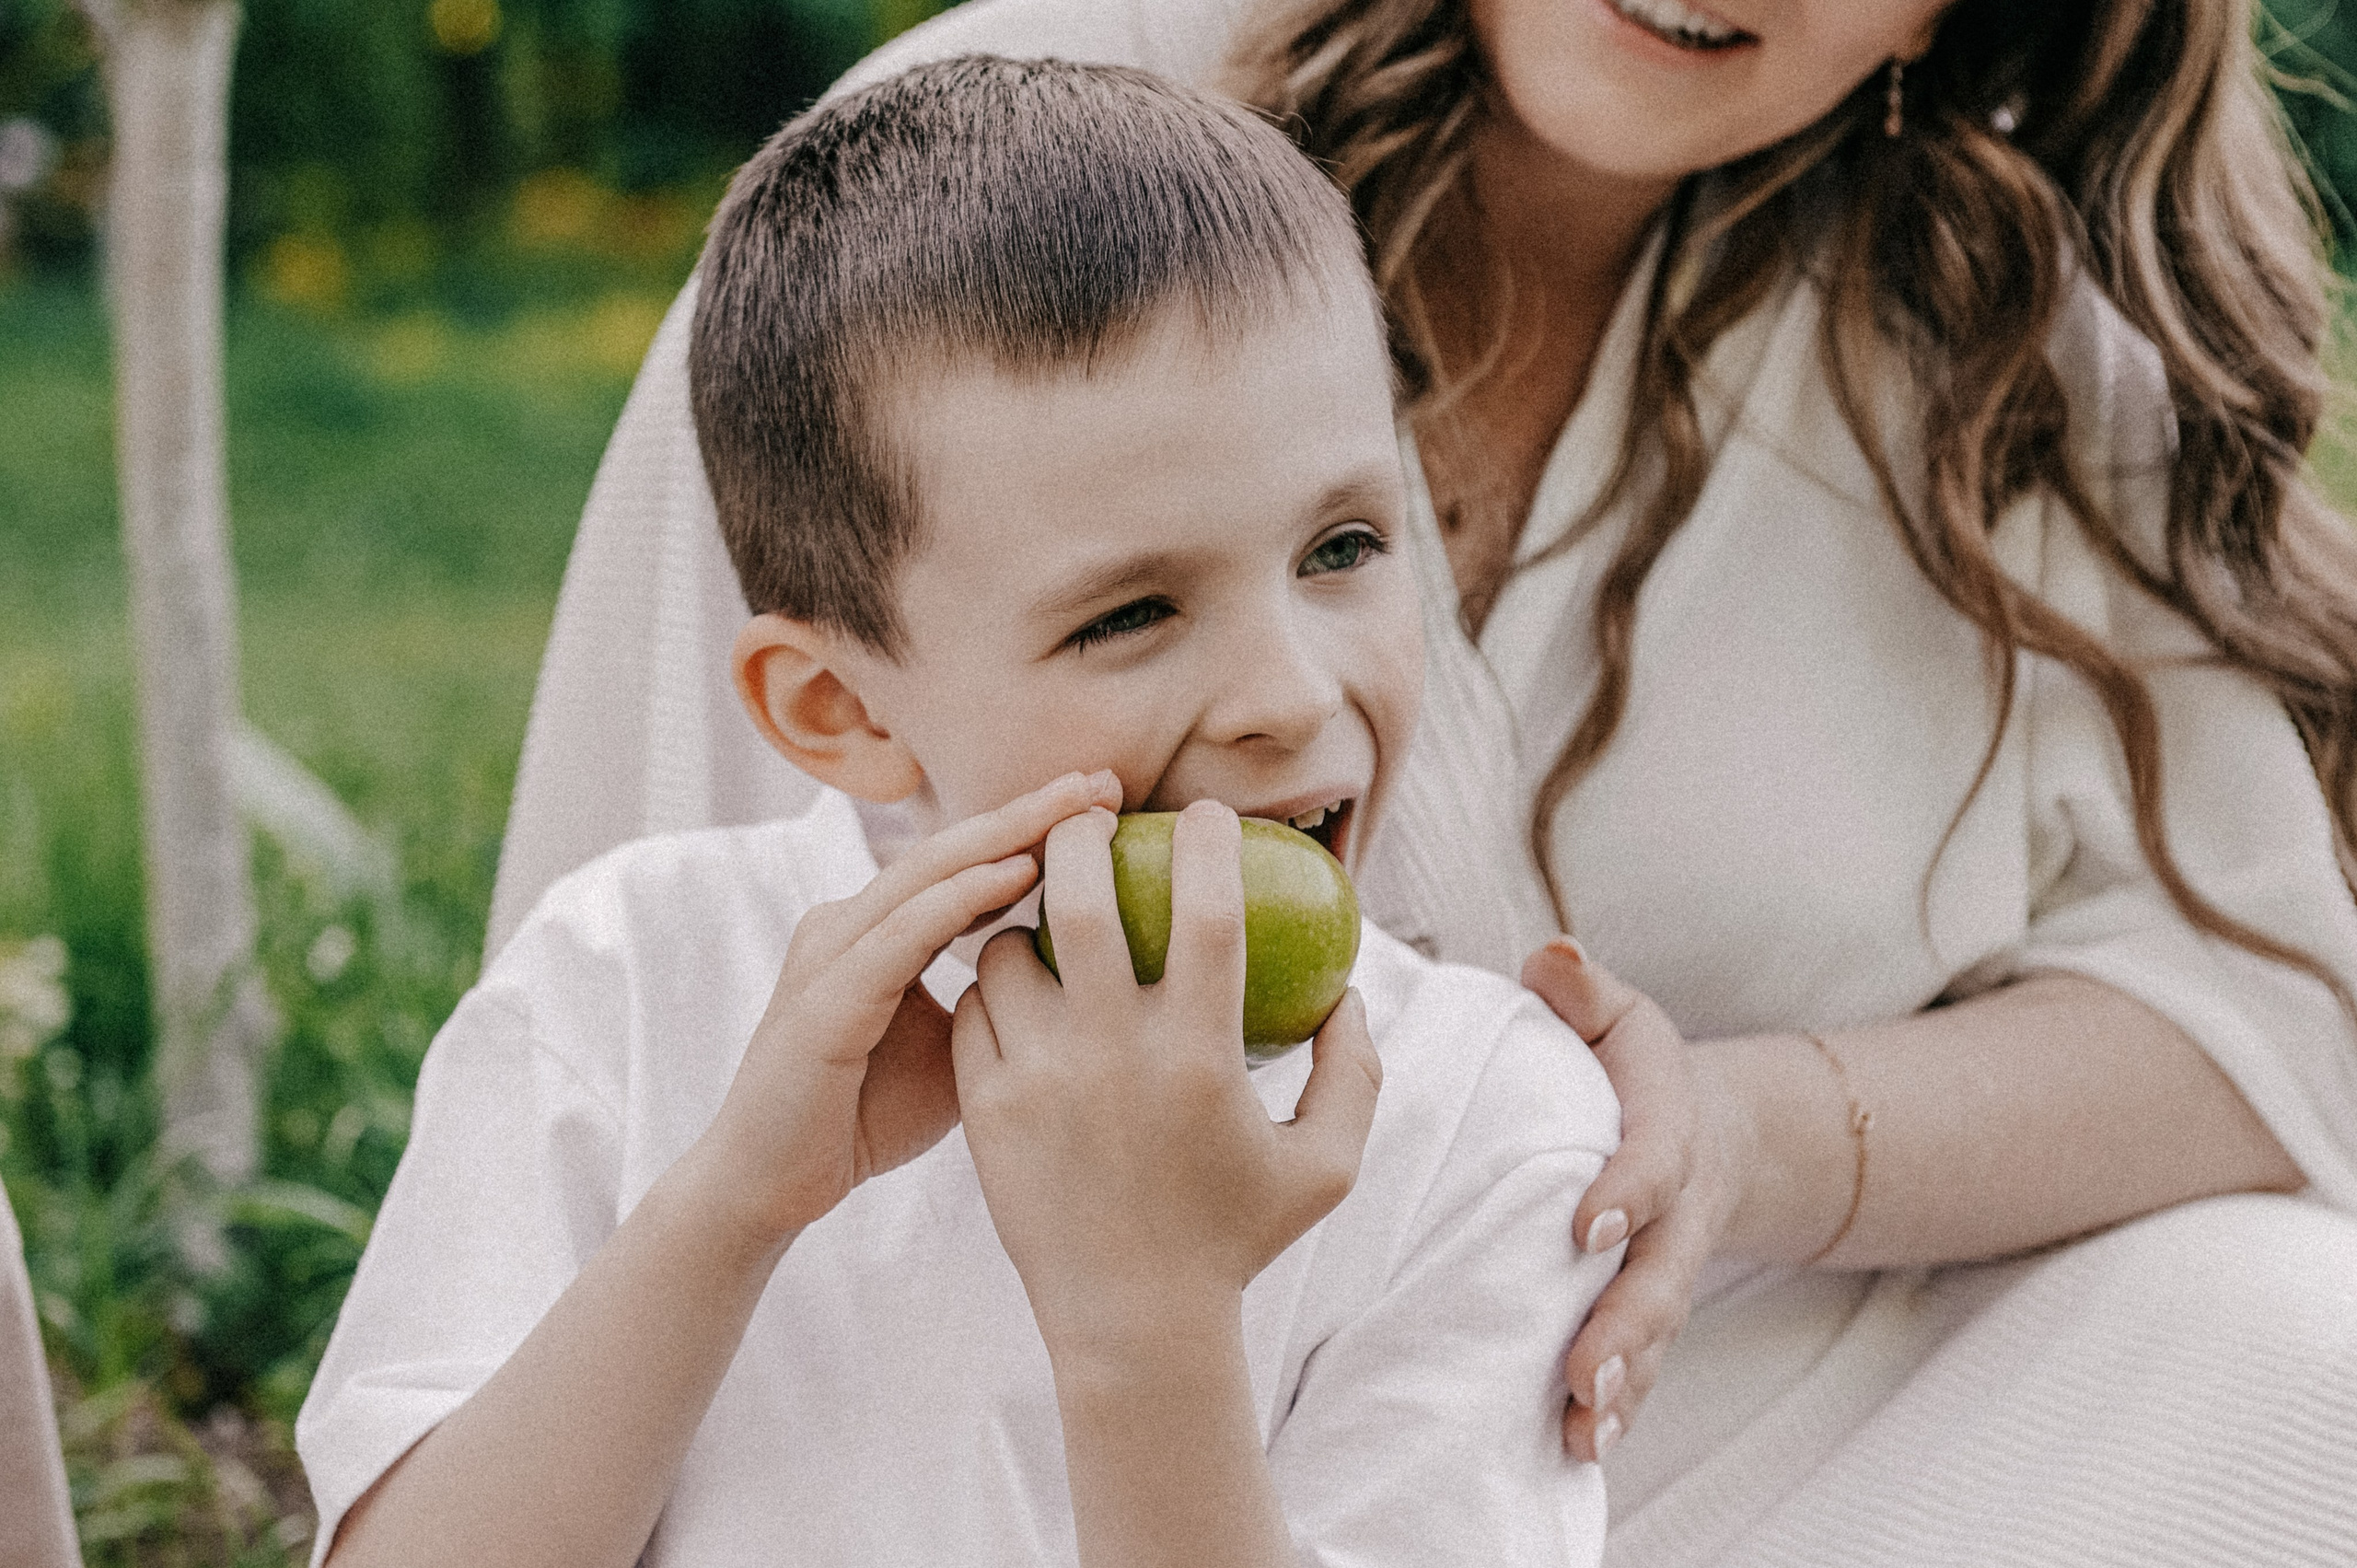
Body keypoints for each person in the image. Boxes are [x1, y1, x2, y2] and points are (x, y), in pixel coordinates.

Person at [489, 0, 2357, 1562]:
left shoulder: (2001, 345)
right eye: (1132, 608)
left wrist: (1731, 1136)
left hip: (1750, 1433)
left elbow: (2273, 1029)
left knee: (2301, 1352)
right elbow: (668, 1000)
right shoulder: (955, 191)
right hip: (1008, 1470)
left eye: (1343, 550)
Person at [296, 57, 1625, 1568]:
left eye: (1343, 545)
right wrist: (731, 1206)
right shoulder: (633, 977)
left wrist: (1153, 1326)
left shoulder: (1485, 1126)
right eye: (1129, 613)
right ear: (842, 711)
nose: (1288, 691)